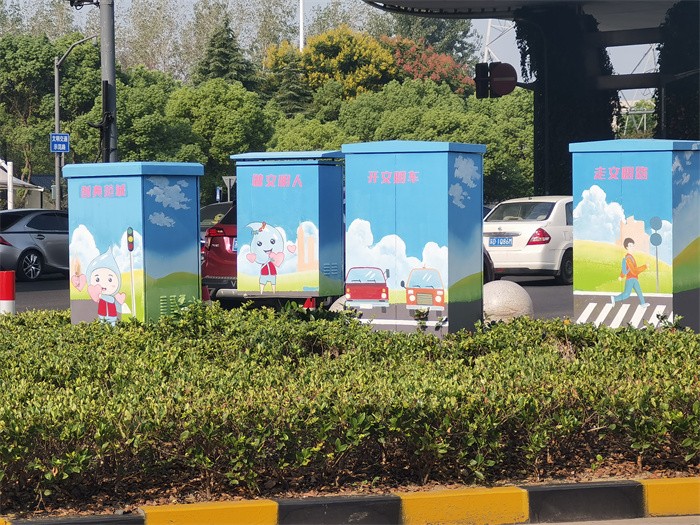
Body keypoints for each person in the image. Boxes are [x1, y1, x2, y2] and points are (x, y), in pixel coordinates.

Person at [611, 237, 649, 307]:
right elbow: (634, 271)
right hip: (630, 279)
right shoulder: (628, 258)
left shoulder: (630, 257)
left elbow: (625, 269)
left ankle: (643, 303)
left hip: (634, 278)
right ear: (627, 247)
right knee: (626, 294)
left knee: (639, 291)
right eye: (630, 246)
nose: (632, 247)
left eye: (633, 245)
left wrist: (621, 276)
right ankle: (614, 298)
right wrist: (645, 266)